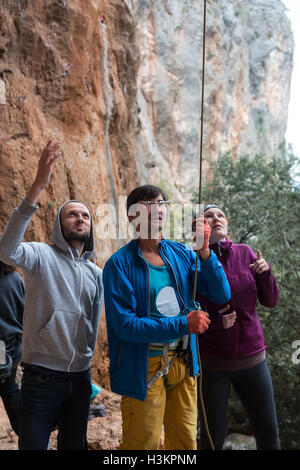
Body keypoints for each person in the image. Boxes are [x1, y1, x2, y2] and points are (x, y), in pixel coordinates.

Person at [103, 185, 231, 450]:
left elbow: (220, 294)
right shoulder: (119, 264)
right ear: (132, 216)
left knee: (185, 443)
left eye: (162, 203)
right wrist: (183, 323)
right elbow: (125, 326)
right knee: (143, 445)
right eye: (149, 205)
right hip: (143, 366)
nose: (158, 209)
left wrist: (205, 252)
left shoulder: (182, 254)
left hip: (183, 363)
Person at [0, 141, 103, 450]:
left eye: (85, 215)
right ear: (60, 223)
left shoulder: (97, 274)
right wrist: (37, 187)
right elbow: (6, 250)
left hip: (81, 379)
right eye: (72, 214)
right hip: (40, 377)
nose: (80, 219)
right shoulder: (40, 256)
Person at [196, 204, 280, 450]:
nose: (215, 219)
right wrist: (214, 322)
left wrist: (266, 274)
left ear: (227, 223)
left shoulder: (245, 253)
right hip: (213, 364)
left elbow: (270, 300)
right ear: (201, 227)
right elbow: (186, 309)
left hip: (253, 360)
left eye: (220, 215)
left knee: (268, 435)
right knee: (212, 440)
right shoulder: (192, 262)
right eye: (208, 216)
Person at [0, 261, 24, 435]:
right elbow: (27, 315)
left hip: (2, 351)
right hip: (14, 349)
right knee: (10, 391)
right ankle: (32, 438)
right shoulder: (15, 278)